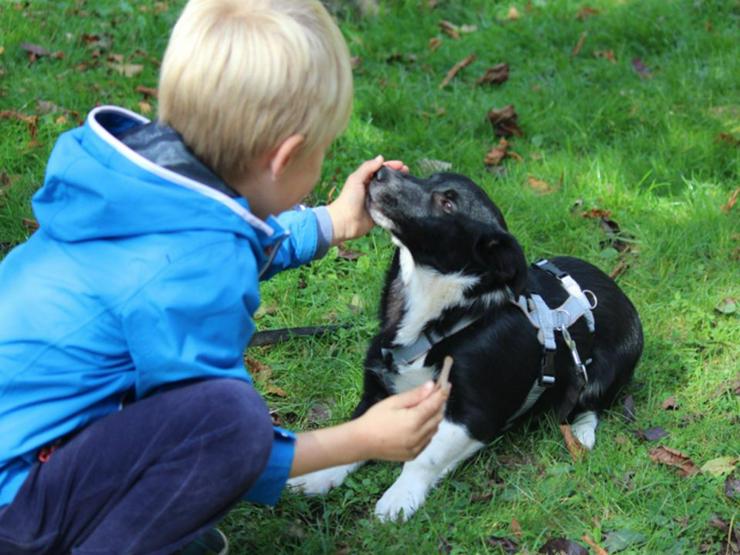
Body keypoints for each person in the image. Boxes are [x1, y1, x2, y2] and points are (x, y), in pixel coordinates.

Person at [0, 1, 449, 553]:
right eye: (323, 149)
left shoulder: (133, 183)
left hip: (21, 444)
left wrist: (329, 222)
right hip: (16, 505)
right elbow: (225, 442)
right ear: (285, 157)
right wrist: (362, 438)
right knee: (229, 417)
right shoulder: (194, 267)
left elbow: (226, 238)